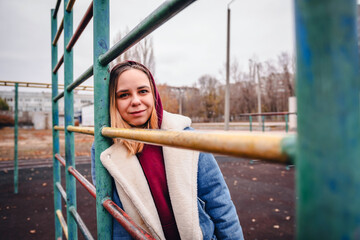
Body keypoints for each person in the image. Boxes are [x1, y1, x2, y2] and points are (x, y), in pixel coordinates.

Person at [91, 60, 244, 240]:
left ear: (154, 94)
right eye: (124, 95)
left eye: (142, 91)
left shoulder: (186, 137)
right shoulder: (106, 150)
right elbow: (115, 216)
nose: (135, 101)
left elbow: (218, 199)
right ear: (113, 101)